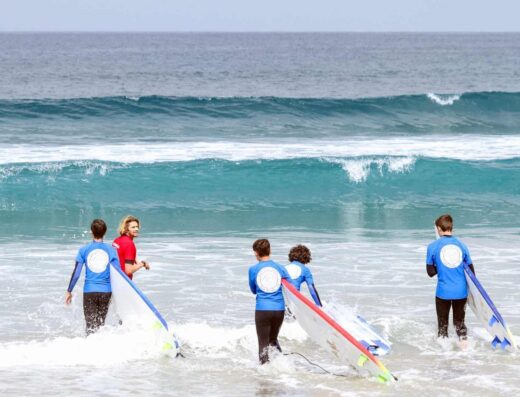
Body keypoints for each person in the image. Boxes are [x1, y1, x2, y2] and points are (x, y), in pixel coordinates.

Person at [426, 214, 475, 343]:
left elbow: (430, 272)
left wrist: (440, 267)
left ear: (438, 228)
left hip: (443, 292)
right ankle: (465, 350)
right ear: (451, 227)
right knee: (460, 325)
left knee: (443, 328)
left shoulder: (432, 246)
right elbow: (471, 273)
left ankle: (445, 354)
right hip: (461, 292)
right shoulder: (462, 245)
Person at [66, 219, 119, 335]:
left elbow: (76, 273)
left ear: (91, 232)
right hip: (106, 292)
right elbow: (118, 273)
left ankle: (90, 350)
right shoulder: (111, 250)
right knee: (100, 326)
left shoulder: (83, 250)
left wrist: (69, 290)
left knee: (90, 327)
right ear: (105, 232)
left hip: (89, 291)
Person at [248, 239, 291, 364]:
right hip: (279, 309)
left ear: (256, 253)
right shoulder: (280, 268)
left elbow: (253, 290)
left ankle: (265, 373)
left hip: (263, 309)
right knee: (273, 340)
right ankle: (282, 366)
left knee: (263, 343)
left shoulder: (253, 269)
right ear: (270, 250)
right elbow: (292, 288)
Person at [112, 215, 150, 280]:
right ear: (126, 229)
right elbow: (128, 271)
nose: (136, 229)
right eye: (133, 227)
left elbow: (122, 254)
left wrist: (135, 260)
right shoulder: (129, 244)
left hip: (114, 278)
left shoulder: (117, 240)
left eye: (137, 227)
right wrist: (142, 264)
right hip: (124, 281)